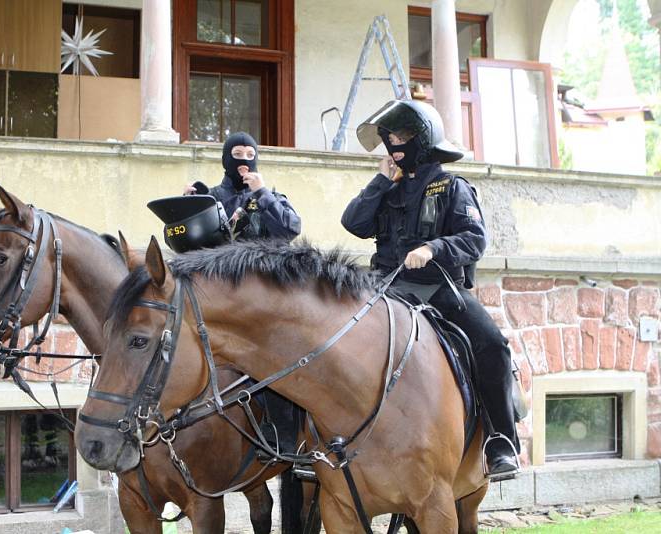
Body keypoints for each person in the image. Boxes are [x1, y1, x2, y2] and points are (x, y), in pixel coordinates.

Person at [341, 100, 520, 478]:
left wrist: (433, 248)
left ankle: (501, 442)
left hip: (438, 289)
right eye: (389, 139)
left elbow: (475, 239)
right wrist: (379, 181)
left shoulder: (452, 187)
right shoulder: (386, 190)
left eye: (402, 136)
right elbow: (353, 223)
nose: (394, 145)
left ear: (422, 140)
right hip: (387, 288)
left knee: (493, 346)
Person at [183, 131, 301, 241]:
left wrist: (263, 193)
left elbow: (291, 231)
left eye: (250, 155)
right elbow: (178, 239)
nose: (244, 159)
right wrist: (187, 206)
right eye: (237, 154)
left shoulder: (272, 198)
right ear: (226, 160)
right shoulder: (209, 198)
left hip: (261, 263)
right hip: (219, 263)